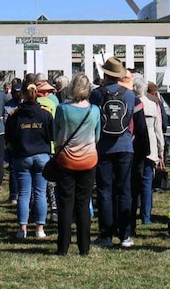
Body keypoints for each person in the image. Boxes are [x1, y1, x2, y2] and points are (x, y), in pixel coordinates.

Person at [90, 57, 138, 249]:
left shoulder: (97, 94)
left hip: (103, 147)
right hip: (125, 145)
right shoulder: (129, 95)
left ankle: (106, 234)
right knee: (124, 190)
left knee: (104, 191)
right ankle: (125, 235)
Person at [52, 72, 100, 256]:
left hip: (66, 159)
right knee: (83, 203)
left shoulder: (63, 109)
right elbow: (97, 137)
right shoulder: (94, 110)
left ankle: (63, 246)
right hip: (88, 160)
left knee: (65, 204)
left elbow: (56, 136)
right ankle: (84, 247)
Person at [5, 81, 53, 239]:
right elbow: (51, 135)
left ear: (23, 95)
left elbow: (9, 137)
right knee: (40, 193)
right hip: (42, 156)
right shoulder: (45, 114)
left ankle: (22, 229)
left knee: (24, 194)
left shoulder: (15, 115)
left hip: (22, 156)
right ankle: (40, 229)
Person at [131, 74, 163, 226]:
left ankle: (131, 211)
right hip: (150, 144)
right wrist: (161, 149)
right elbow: (158, 130)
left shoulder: (131, 103)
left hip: (134, 144)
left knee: (132, 182)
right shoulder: (152, 104)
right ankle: (146, 215)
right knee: (147, 183)